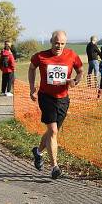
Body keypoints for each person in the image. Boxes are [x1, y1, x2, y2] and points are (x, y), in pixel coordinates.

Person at [28, 30, 84, 179]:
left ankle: (38, 152)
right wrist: (32, 87)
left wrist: (76, 81)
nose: (59, 46)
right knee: (52, 131)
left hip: (63, 99)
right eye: (56, 43)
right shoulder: (40, 56)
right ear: (51, 42)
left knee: (52, 132)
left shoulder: (72, 55)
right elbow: (32, 68)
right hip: (46, 97)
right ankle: (54, 167)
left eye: (62, 44)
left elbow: (80, 71)